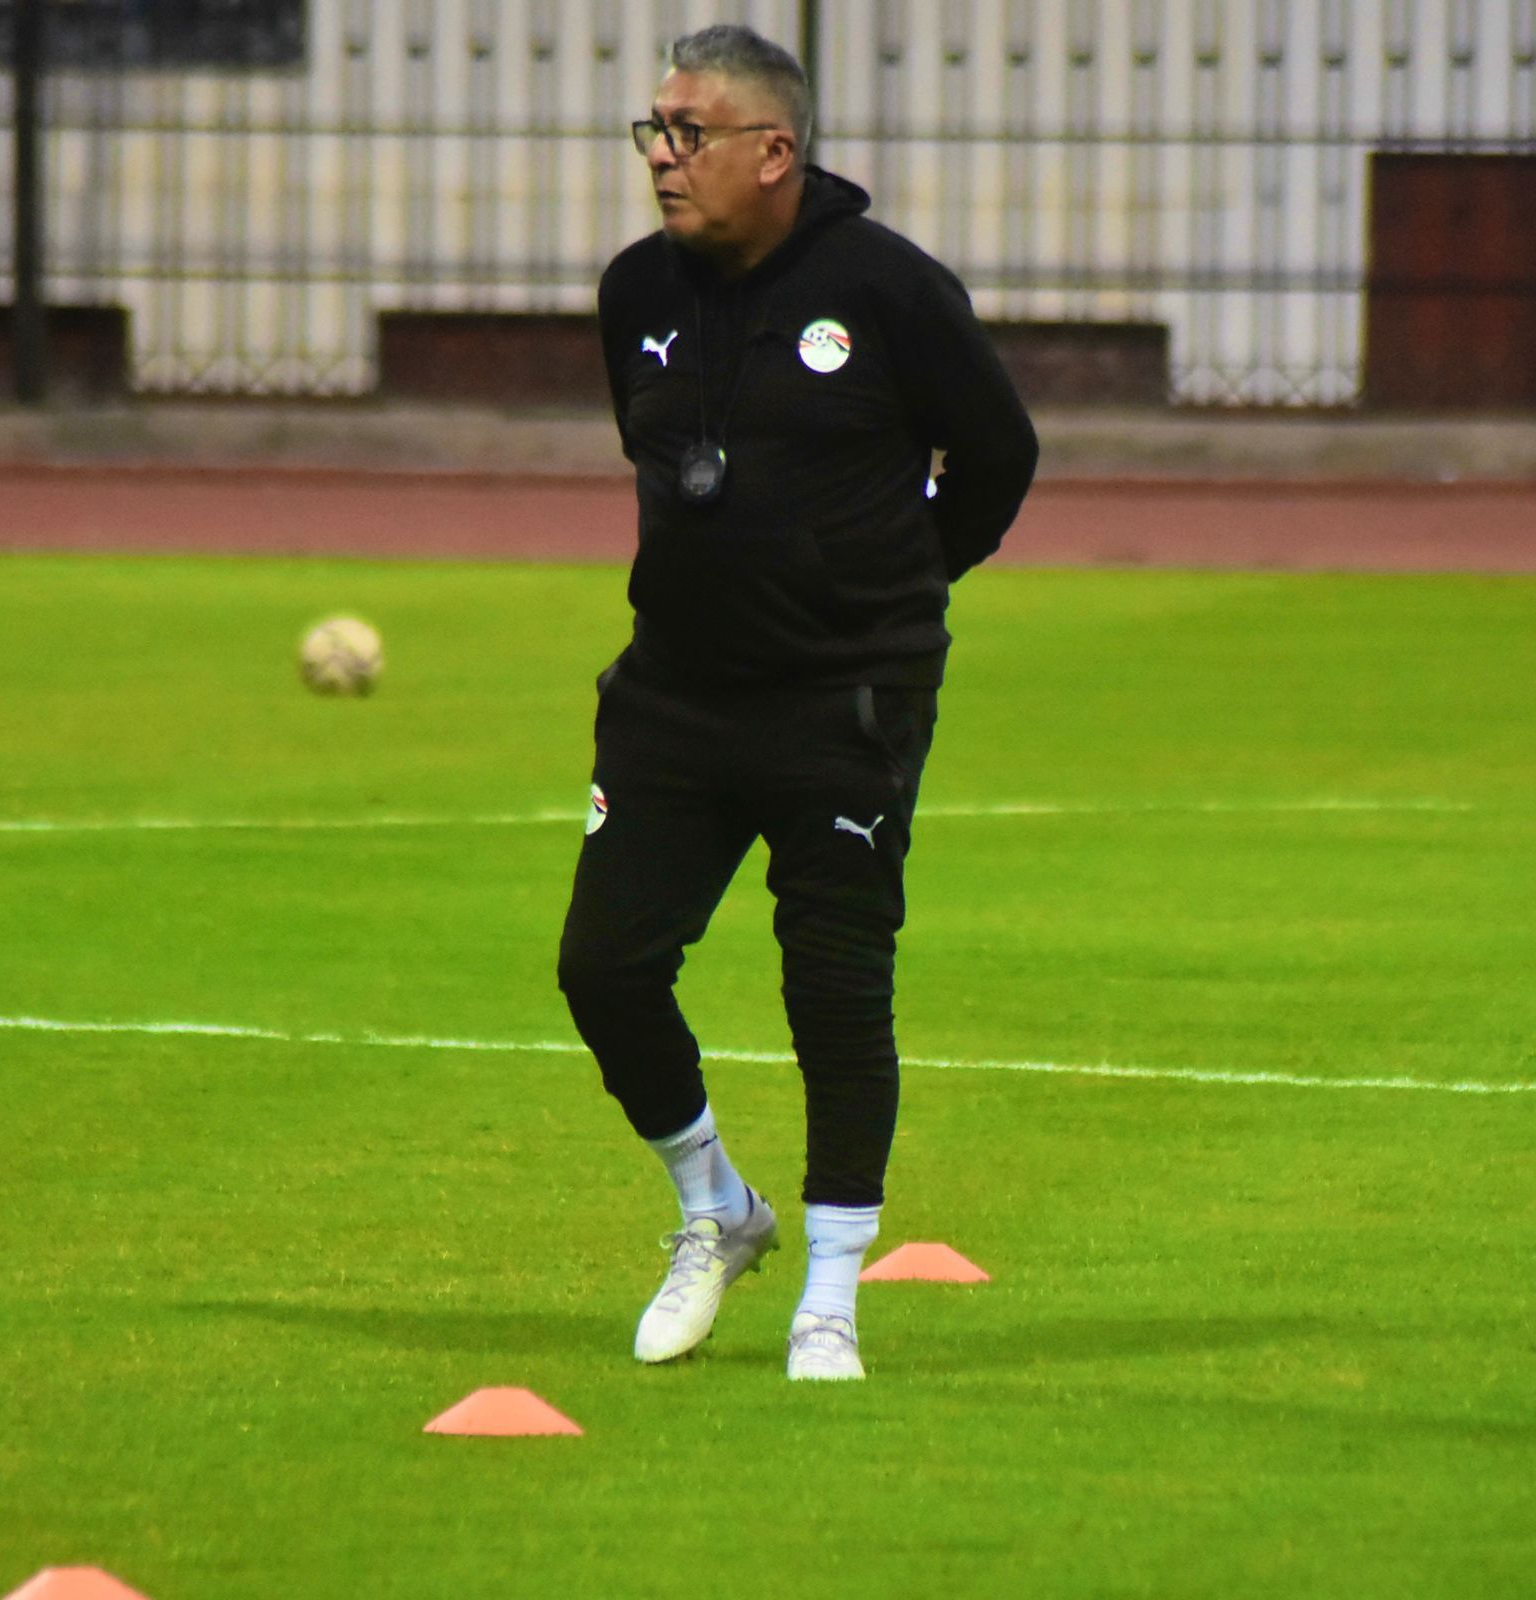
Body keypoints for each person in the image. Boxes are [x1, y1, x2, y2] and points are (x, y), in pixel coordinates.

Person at [556, 23, 1038, 1381]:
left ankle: (831, 1294)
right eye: (653, 130)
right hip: (672, 694)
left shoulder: (887, 289)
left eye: (688, 132)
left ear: (774, 152)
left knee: (833, 987)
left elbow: (998, 452)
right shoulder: (633, 290)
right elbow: (659, 460)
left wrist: (895, 583)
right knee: (603, 968)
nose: (662, 156)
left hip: (845, 699)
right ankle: (716, 1206)